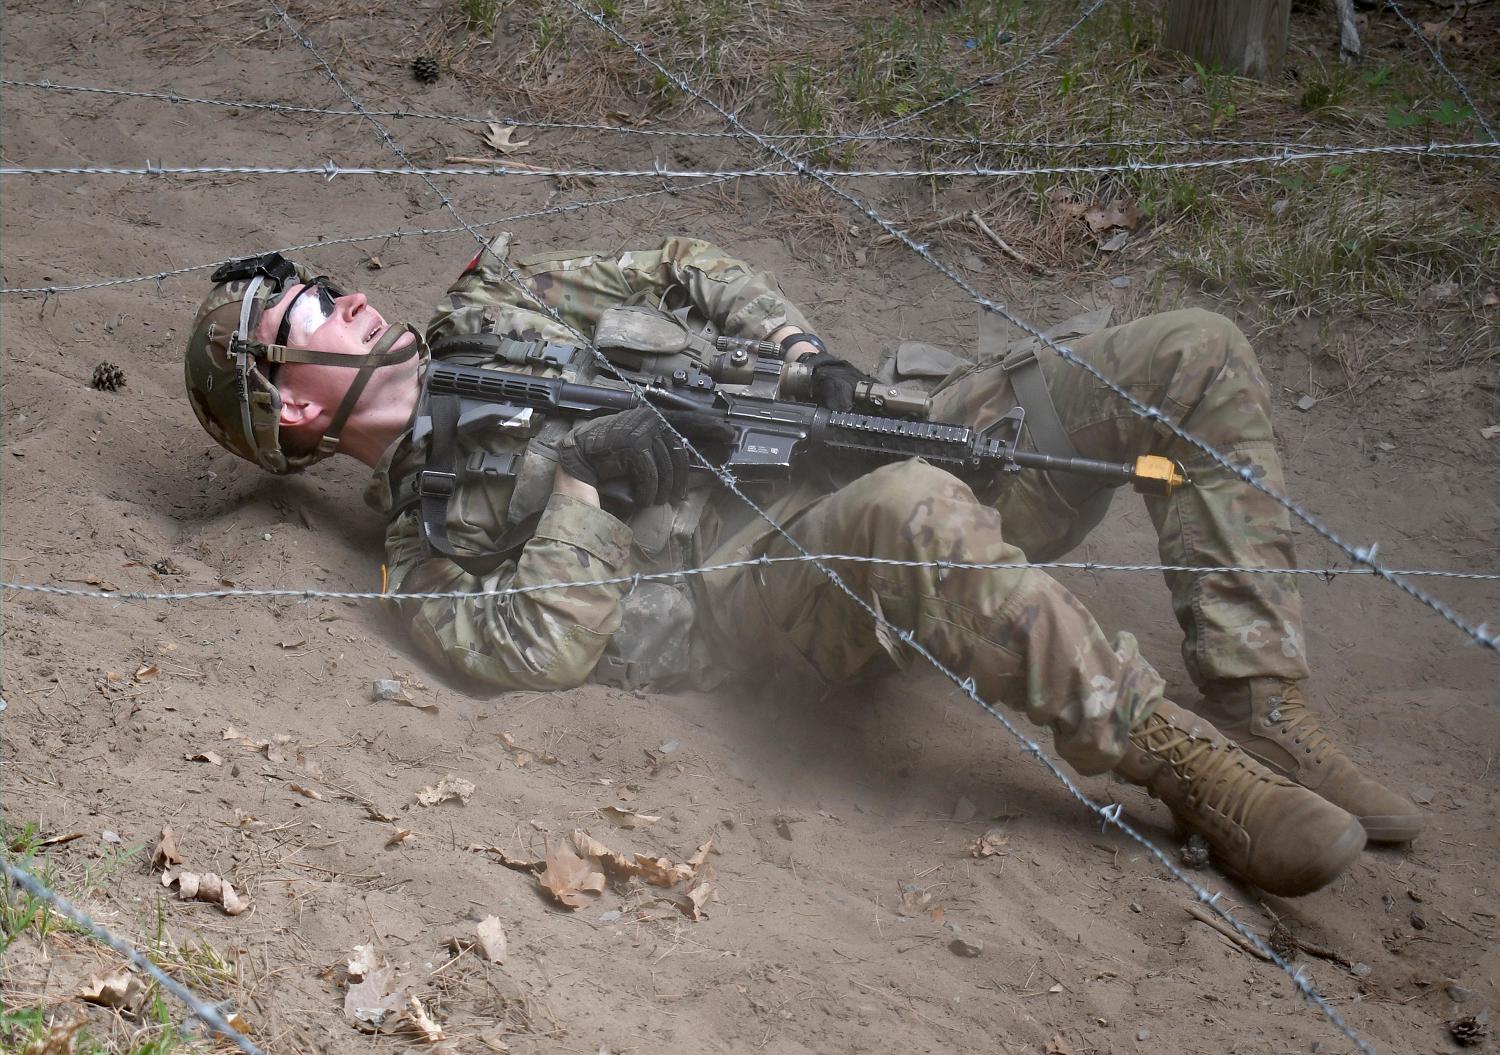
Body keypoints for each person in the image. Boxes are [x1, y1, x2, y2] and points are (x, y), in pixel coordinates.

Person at [184, 233, 1422, 898]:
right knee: (912, 511)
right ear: (294, 413)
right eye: (311, 319)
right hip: (784, 574)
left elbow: (682, 261)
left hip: (865, 424)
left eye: (331, 289)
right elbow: (528, 651)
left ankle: (1261, 699)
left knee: (1191, 353)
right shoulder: (425, 543)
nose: (348, 303)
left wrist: (795, 349)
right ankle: (1188, 770)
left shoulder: (502, 298)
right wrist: (587, 493)